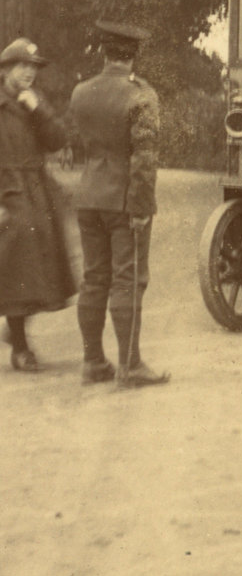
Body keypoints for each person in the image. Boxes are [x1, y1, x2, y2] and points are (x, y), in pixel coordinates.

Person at [68, 21, 168, 386]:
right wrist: (141, 209)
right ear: (133, 55)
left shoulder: (81, 92)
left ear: (104, 52)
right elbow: (144, 160)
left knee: (94, 278)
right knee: (128, 279)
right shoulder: (141, 95)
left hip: (89, 195)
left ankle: (93, 362)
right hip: (124, 200)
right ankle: (130, 366)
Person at [0, 38, 76, 371]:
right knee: (19, 265)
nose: (29, 73)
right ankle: (20, 346)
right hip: (7, 190)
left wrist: (38, 109)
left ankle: (13, 329)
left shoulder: (34, 101)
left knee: (43, 267)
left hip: (36, 189)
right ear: (6, 69)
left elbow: (58, 140)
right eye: (23, 66)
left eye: (33, 67)